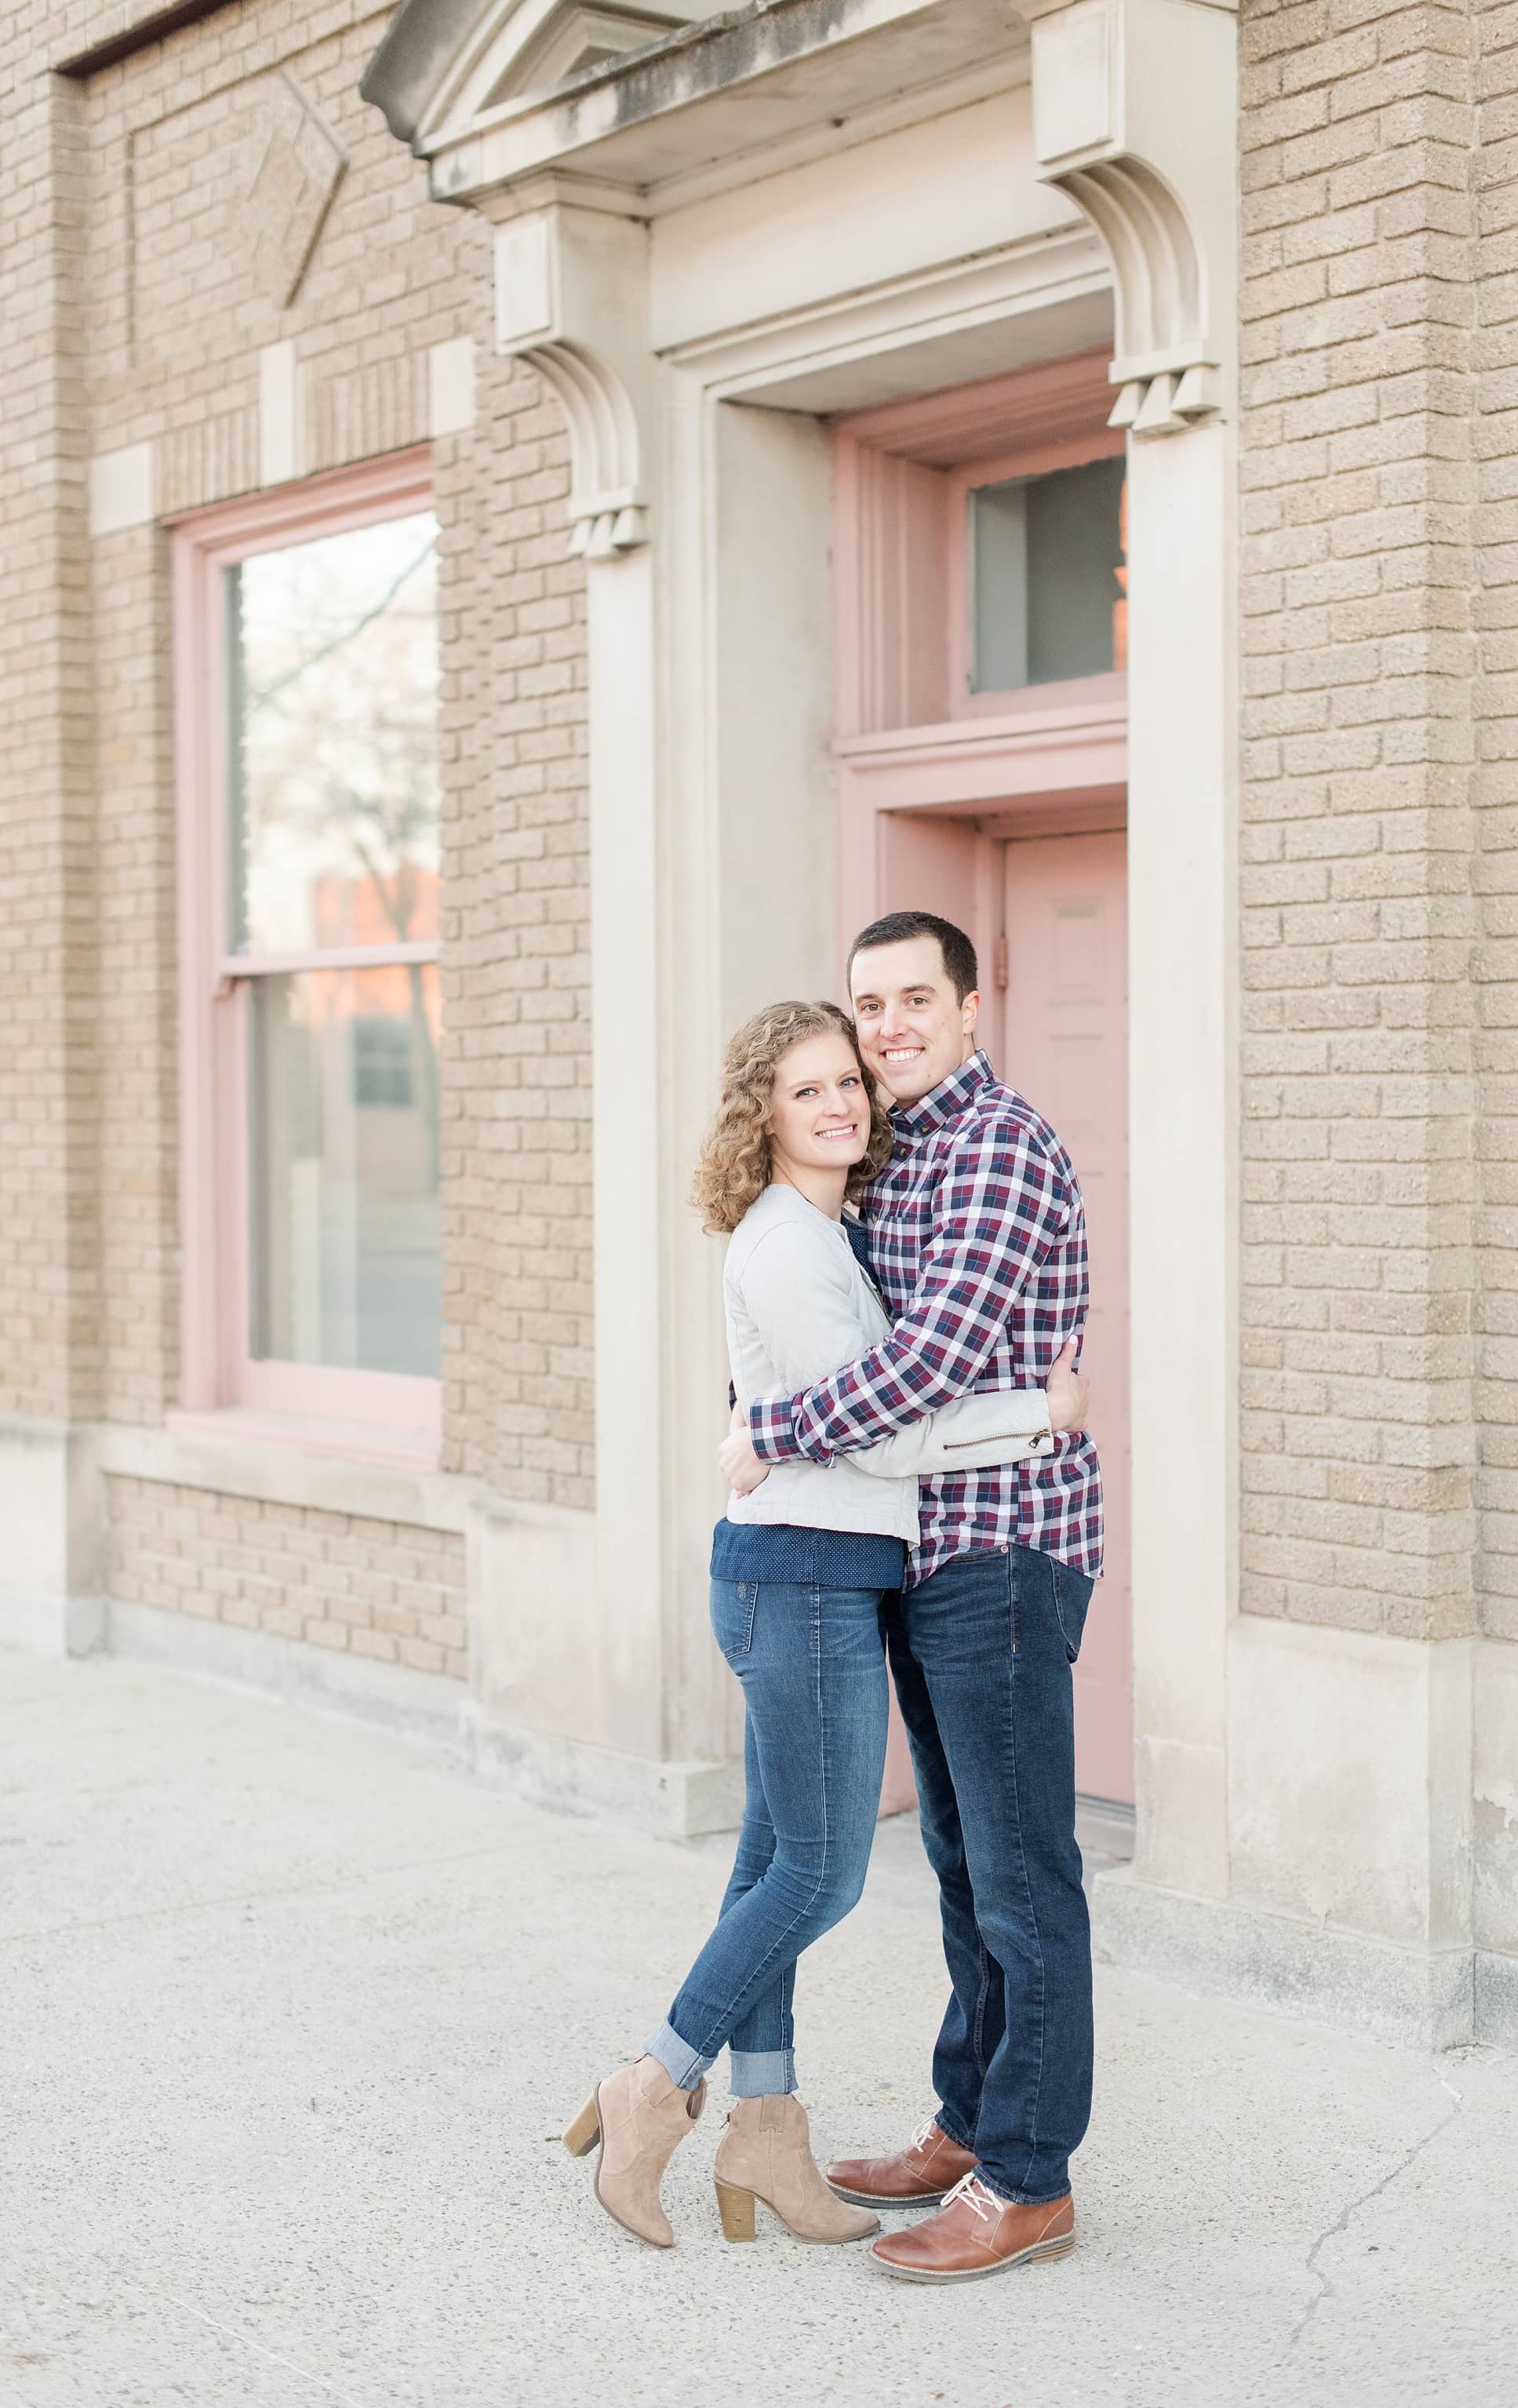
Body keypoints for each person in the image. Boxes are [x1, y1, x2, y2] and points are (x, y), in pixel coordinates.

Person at [562, 998, 1088, 2251]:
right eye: (809, 1090)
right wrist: (1041, 1412)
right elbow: (888, 1428)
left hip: (821, 1570)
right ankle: (654, 2080)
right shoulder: (790, 1246)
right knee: (822, 1868)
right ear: (765, 1113)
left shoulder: (827, 1229)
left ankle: (766, 2127)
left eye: (849, 1081)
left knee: (769, 1862)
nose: (844, 1102)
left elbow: (832, 1403)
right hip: (800, 1577)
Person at [719, 910, 1103, 2284]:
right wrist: (758, 1398)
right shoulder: (888, 1156)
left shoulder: (997, 1145)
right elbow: (818, 1329)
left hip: (999, 1553)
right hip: (918, 1553)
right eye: (866, 1005)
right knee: (958, 1862)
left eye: (913, 1001)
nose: (886, 1028)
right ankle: (969, 2118)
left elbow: (927, 1359)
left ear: (972, 1006)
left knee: (1022, 1874)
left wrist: (771, 1432)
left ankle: (1028, 2177)